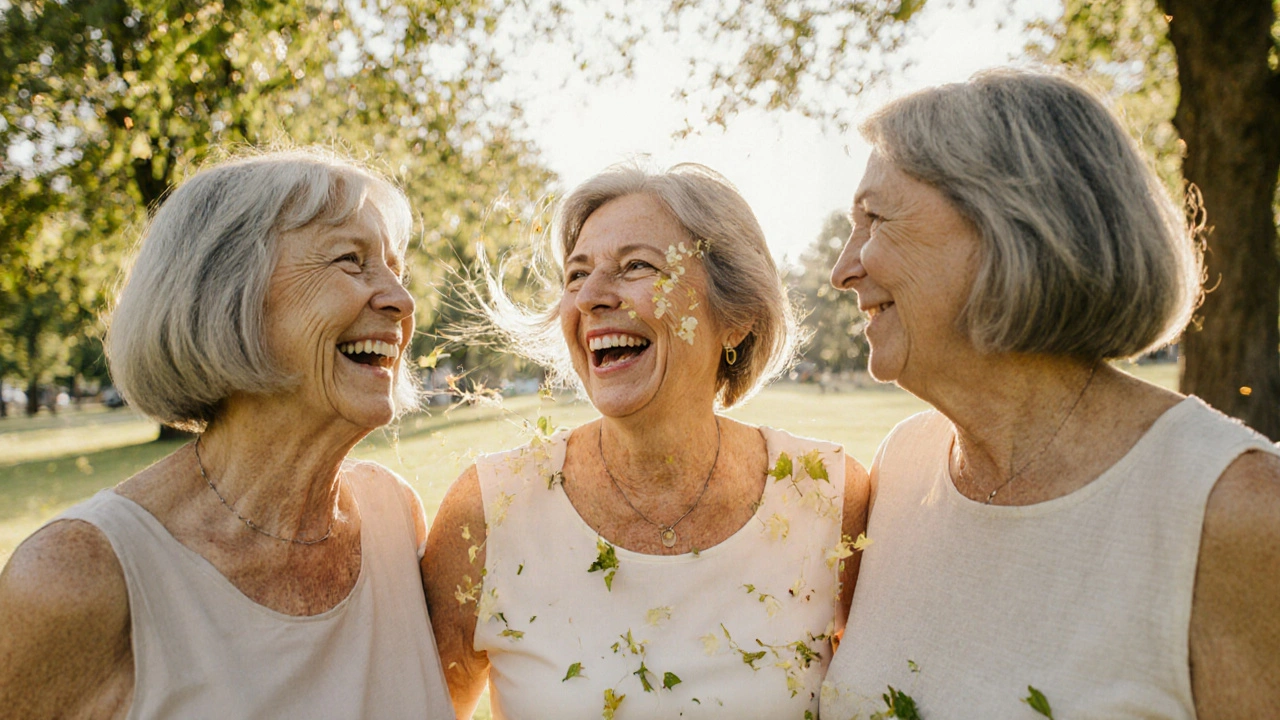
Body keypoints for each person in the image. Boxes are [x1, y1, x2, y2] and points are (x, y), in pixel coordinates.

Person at [821, 69, 1280, 718]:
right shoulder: (902, 467)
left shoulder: (1238, 514)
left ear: (1009, 226)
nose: (843, 270)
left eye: (874, 219)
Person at [0, 150, 454, 718]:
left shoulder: (393, 515)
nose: (402, 301)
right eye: (351, 260)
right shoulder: (78, 576)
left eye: (395, 269)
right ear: (228, 294)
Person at [423, 163, 871, 719]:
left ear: (736, 317)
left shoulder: (826, 495)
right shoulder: (490, 509)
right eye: (576, 275)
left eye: (636, 266)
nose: (590, 297)